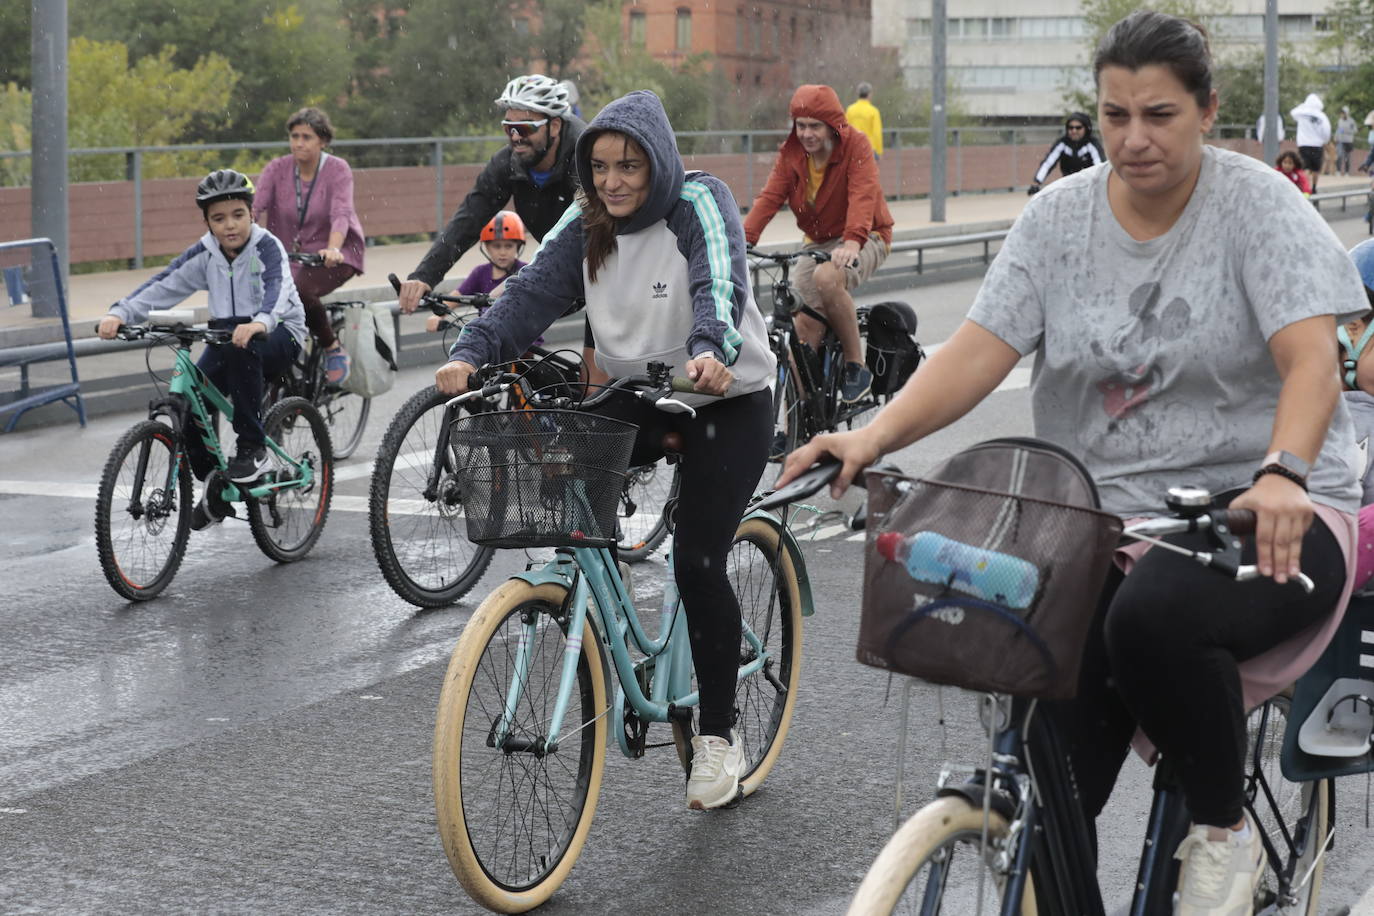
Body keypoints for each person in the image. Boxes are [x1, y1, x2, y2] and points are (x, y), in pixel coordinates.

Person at [780, 11, 1361, 915]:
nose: (1133, 138)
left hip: (1267, 514)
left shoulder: (1259, 207)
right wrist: (870, 437)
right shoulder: (1056, 221)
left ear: (1208, 111)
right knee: (1052, 783)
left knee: (1151, 620)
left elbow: (1311, 360)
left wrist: (1283, 471)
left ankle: (1222, 835)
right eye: (1115, 113)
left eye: (1159, 115)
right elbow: (977, 353)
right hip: (1099, 522)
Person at [436, 90, 776, 811]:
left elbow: (721, 275)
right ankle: (593, 606)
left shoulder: (697, 201)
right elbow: (530, 291)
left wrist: (714, 346)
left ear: (658, 161)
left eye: (630, 166)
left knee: (697, 559)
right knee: (565, 474)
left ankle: (717, 734)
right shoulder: (585, 219)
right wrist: (473, 349)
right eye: (601, 168)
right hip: (644, 392)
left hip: (727, 396)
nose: (615, 181)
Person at [99, 170, 307, 519]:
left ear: (251, 214)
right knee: (188, 398)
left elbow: (278, 289)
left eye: (238, 215)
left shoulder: (267, 246)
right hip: (226, 333)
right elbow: (164, 284)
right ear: (208, 222)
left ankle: (252, 449)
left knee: (244, 350)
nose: (230, 226)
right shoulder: (206, 252)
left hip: (280, 330)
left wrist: (259, 321)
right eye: (219, 218)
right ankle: (216, 486)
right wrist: (120, 313)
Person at [744, 84, 894, 405]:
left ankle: (856, 366)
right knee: (803, 322)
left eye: (815, 126)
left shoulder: (855, 145)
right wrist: (741, 240)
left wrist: (853, 242)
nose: (807, 133)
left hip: (867, 234)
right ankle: (799, 418)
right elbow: (769, 198)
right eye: (801, 125)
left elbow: (863, 195)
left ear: (832, 125)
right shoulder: (792, 154)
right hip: (818, 240)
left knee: (827, 278)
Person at [397, 75, 586, 314]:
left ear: (555, 126)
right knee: (499, 323)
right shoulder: (507, 163)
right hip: (559, 260)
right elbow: (468, 220)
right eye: (509, 127)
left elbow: (584, 235)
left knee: (597, 349)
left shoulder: (585, 157)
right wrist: (424, 276)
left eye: (525, 127)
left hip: (604, 259)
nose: (516, 137)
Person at [253, 107, 365, 385]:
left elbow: (341, 212)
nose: (299, 143)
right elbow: (254, 207)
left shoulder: (338, 169)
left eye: (307, 137)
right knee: (260, 294)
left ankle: (331, 347)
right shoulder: (276, 169)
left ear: (323, 141)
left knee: (301, 290)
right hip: (286, 254)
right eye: (294, 136)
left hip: (336, 253)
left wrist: (333, 248)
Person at [1027, 112, 1105, 194]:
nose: (1074, 131)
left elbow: (1099, 166)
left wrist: (1102, 184)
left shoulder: (1092, 144)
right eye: (1070, 128)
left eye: (1078, 128)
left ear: (1086, 128)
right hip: (1068, 187)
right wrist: (1037, 182)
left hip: (1089, 188)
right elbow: (1048, 163)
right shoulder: (1062, 144)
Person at [1291, 92, 1331, 192]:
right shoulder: (1321, 116)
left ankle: (1305, 186)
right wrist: (1325, 140)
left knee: (1305, 167)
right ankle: (1314, 187)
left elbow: (1292, 113)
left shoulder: (1301, 113)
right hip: (1317, 145)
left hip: (1303, 144)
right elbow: (1326, 131)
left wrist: (1302, 106)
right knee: (1316, 168)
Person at [845, 81, 884, 160]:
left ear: (858, 94)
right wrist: (879, 151)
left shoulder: (850, 110)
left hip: (853, 148)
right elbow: (877, 133)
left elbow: (845, 130)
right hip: (869, 148)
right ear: (869, 94)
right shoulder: (873, 111)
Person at [1336, 105, 1358, 175]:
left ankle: (1346, 172)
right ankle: (1338, 171)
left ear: (1347, 113)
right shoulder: (1340, 120)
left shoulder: (1351, 121)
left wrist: (1345, 131)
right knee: (1339, 155)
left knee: (1347, 158)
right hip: (1340, 141)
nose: (1342, 114)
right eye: (1341, 113)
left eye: (1344, 113)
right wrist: (1336, 136)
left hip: (1348, 141)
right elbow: (1338, 129)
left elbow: (1355, 130)